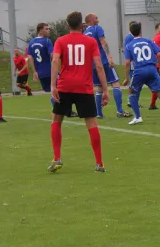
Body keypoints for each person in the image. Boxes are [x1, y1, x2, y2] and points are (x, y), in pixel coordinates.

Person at [48, 11, 110, 173]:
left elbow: (55, 60)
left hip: (65, 86)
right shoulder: (90, 42)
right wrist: (105, 89)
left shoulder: (61, 41)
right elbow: (99, 66)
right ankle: (99, 163)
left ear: (68, 26)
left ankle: (57, 158)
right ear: (82, 26)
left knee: (56, 119)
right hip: (85, 87)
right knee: (91, 123)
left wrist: (53, 86)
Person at [123, 22, 160, 126]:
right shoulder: (148, 41)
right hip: (152, 69)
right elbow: (159, 54)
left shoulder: (129, 45)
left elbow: (127, 62)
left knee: (131, 91)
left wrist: (126, 78)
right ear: (141, 31)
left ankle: (138, 117)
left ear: (131, 32)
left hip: (139, 70)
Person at [84, 13, 130, 118]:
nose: (98, 20)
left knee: (98, 88)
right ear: (90, 20)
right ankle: (119, 111)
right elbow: (103, 42)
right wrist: (109, 56)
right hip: (102, 60)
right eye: (96, 18)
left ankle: (99, 113)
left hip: (92, 63)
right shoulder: (97, 28)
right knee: (115, 83)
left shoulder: (85, 33)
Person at [124, 23, 136, 108]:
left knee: (135, 82)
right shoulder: (130, 37)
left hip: (133, 62)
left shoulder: (131, 36)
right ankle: (130, 101)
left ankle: (133, 101)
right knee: (133, 82)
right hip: (132, 63)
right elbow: (127, 49)